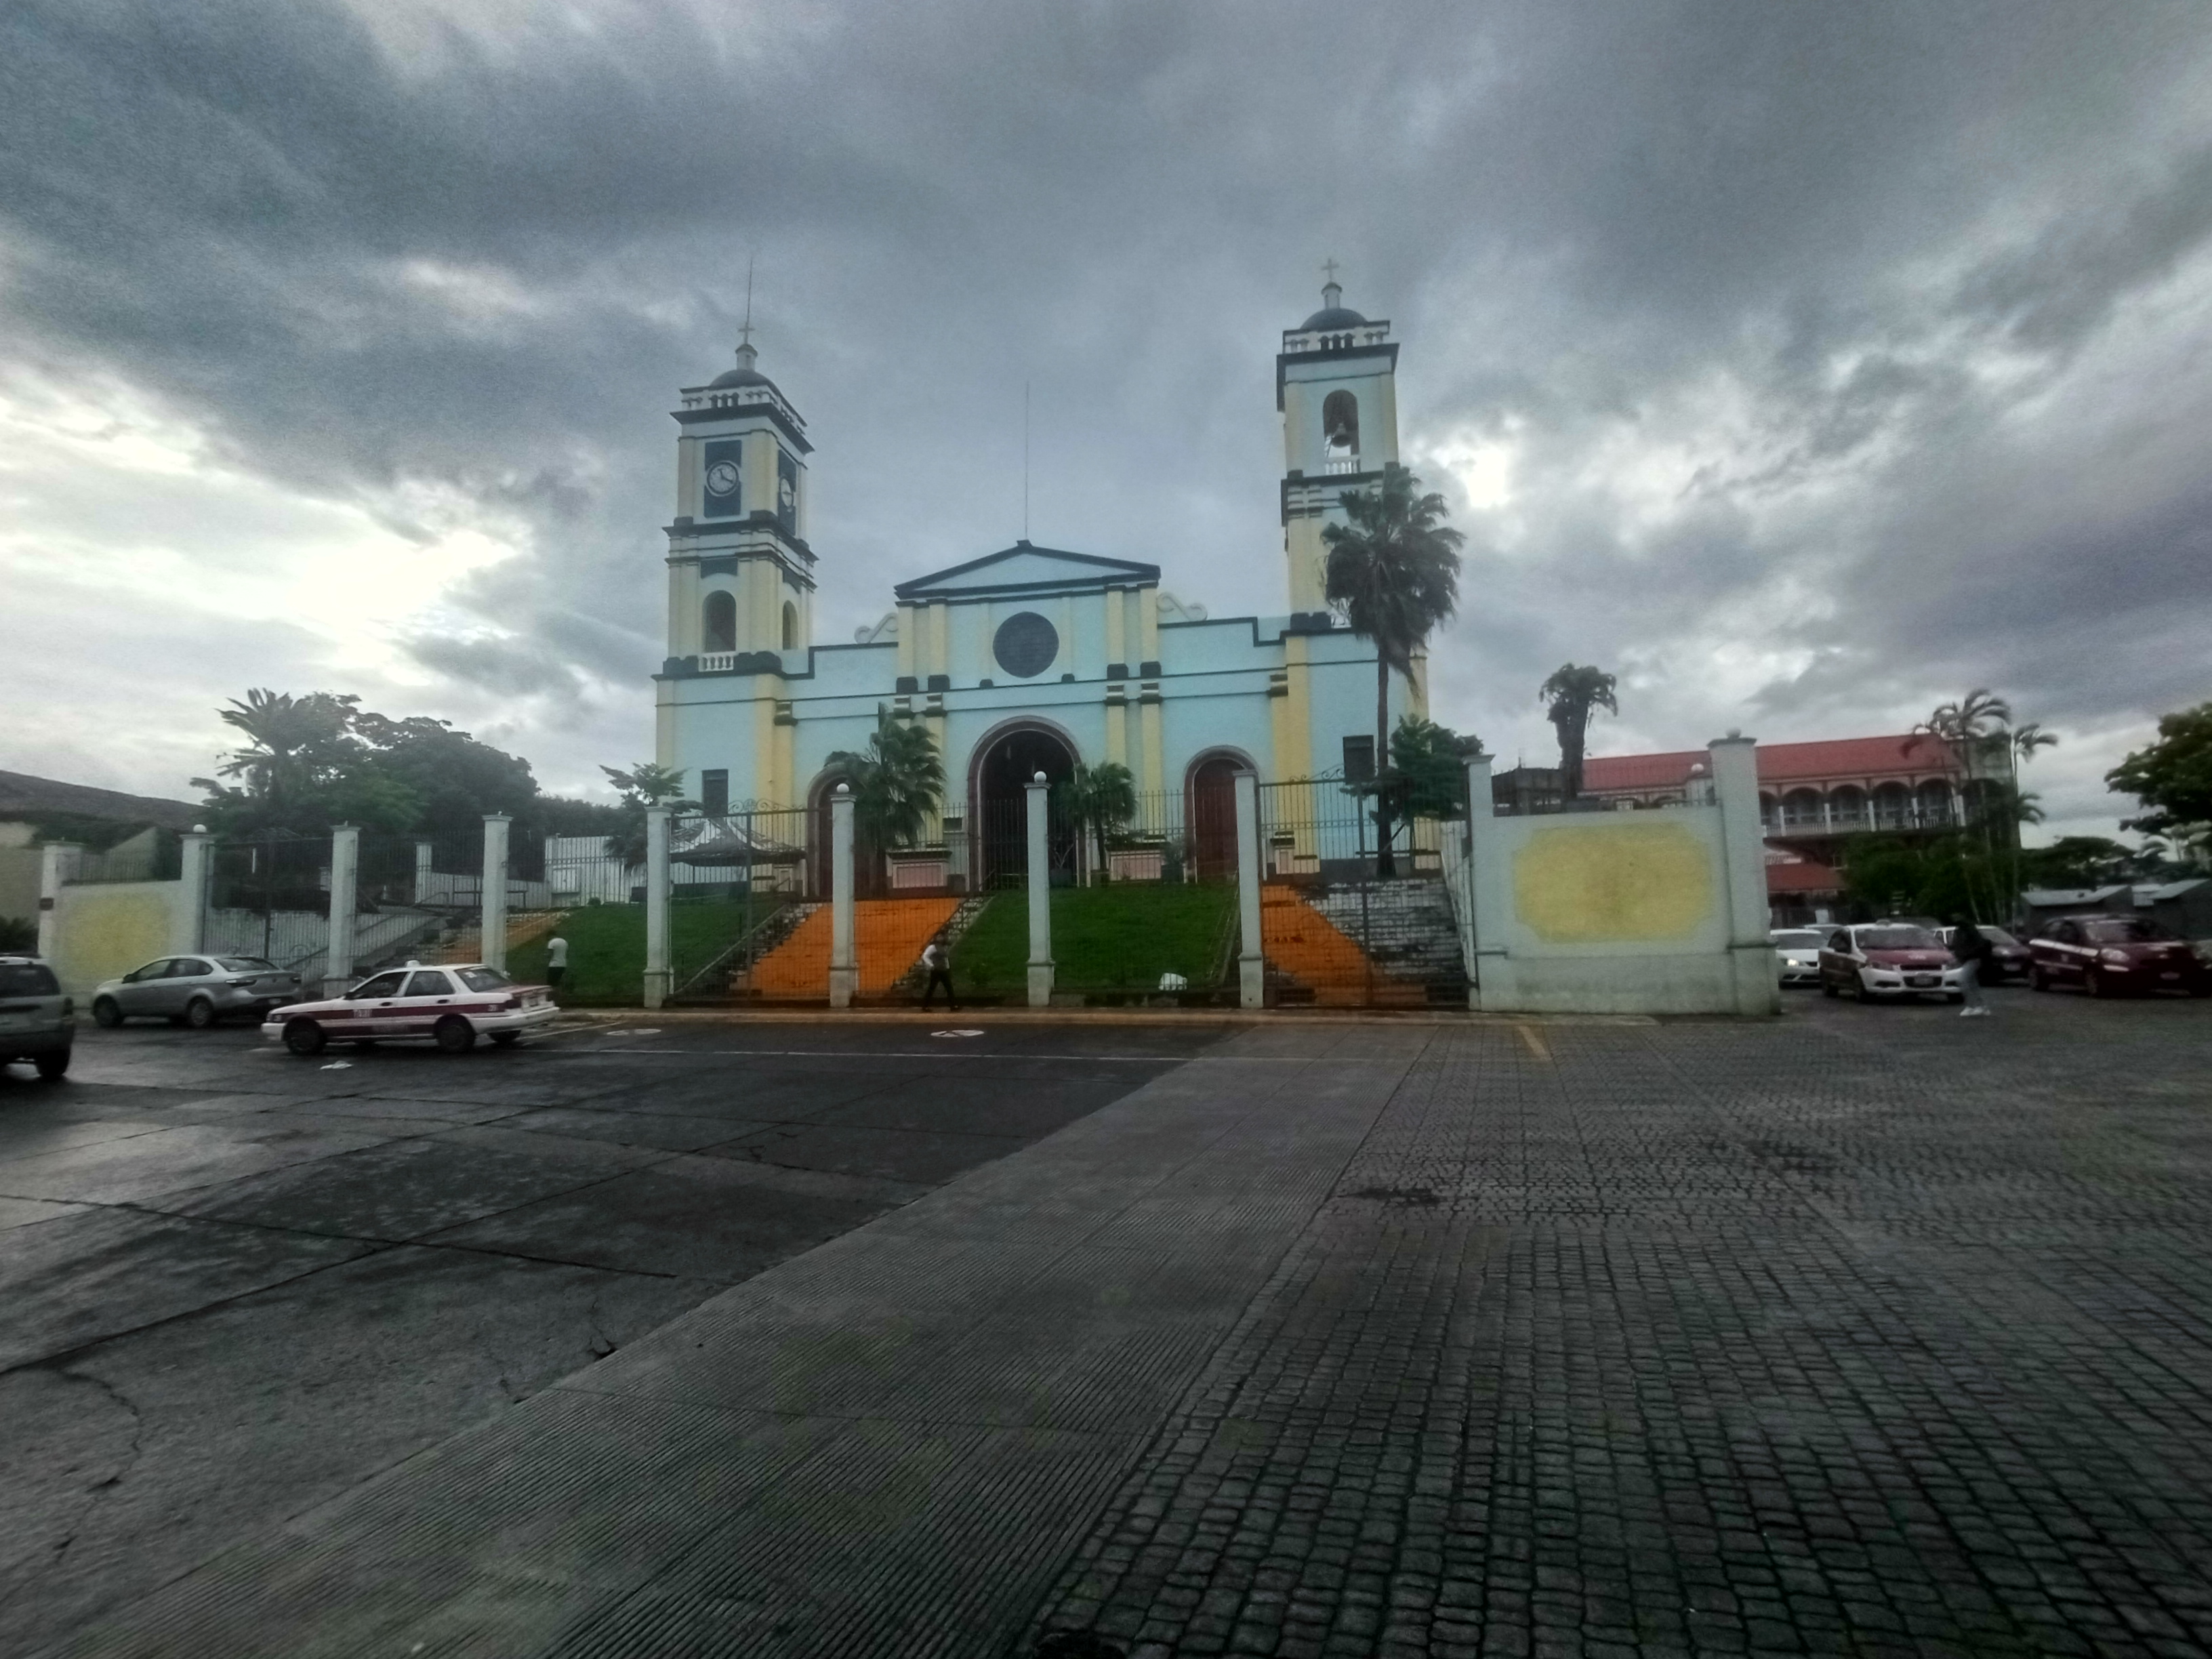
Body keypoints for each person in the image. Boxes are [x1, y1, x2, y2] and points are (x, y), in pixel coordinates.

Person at [1950, 919, 1990, 1018]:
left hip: (1973, 959)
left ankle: (1971, 1006)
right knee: (1973, 984)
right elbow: (1958, 946)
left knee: (1962, 980)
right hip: (1969, 959)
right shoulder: (1960, 931)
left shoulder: (1969, 931)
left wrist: (1965, 954)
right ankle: (1982, 1006)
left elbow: (1978, 945)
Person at [920, 937, 957, 1010]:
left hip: (943, 970)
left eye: (942, 937)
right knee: (932, 988)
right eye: (939, 937)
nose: (941, 938)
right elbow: (925, 956)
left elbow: (945, 959)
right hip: (936, 971)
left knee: (949, 988)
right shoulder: (933, 947)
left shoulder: (944, 947)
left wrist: (948, 967)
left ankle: (953, 1006)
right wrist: (931, 965)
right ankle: (925, 1006)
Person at [544, 932, 569, 997]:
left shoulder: (552, 942)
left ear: (550, 936)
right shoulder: (564, 942)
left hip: (554, 964)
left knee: (551, 983)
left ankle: (554, 996)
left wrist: (545, 956)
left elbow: (550, 954)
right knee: (559, 980)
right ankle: (561, 994)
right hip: (563, 964)